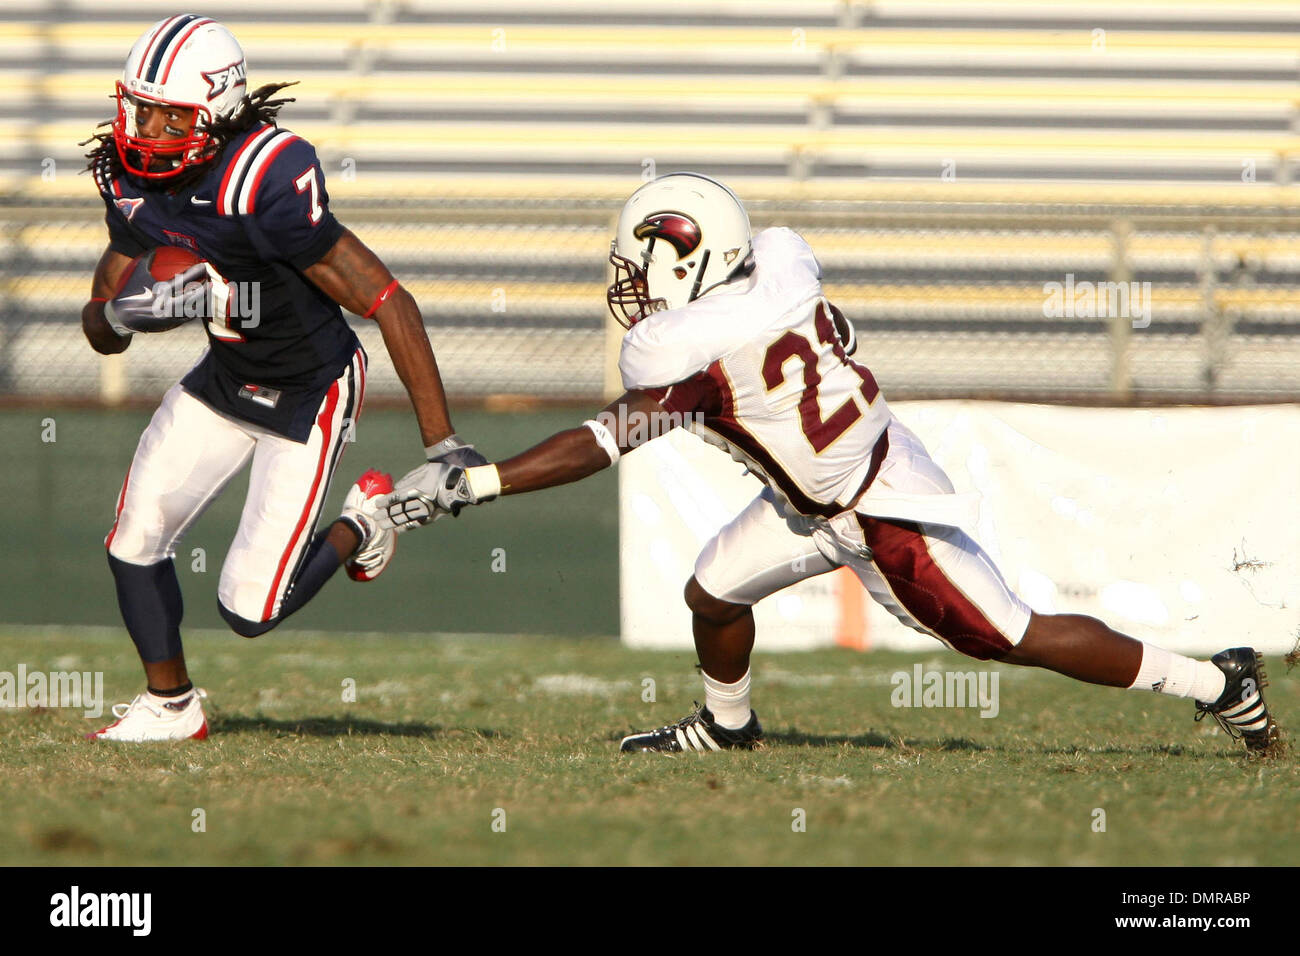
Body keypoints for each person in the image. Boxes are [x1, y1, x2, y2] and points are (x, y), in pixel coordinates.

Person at [376, 171, 1282, 758]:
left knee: (1009, 637)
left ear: (693, 260)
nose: (636, 282)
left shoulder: (682, 354)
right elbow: (800, 315)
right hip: (824, 482)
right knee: (712, 592)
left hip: (875, 515)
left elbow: (606, 439)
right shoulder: (779, 262)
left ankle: (1218, 681)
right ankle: (731, 730)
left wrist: (483, 481)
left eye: (647, 261)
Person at [80, 16, 482, 742]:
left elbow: (388, 300)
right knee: (134, 540)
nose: (145, 131)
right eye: (140, 109)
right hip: (226, 379)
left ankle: (366, 522)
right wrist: (127, 316)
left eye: (167, 115)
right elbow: (100, 324)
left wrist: (444, 443)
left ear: (217, 110)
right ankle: (170, 706)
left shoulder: (262, 178)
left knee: (249, 611)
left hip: (310, 389)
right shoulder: (131, 179)